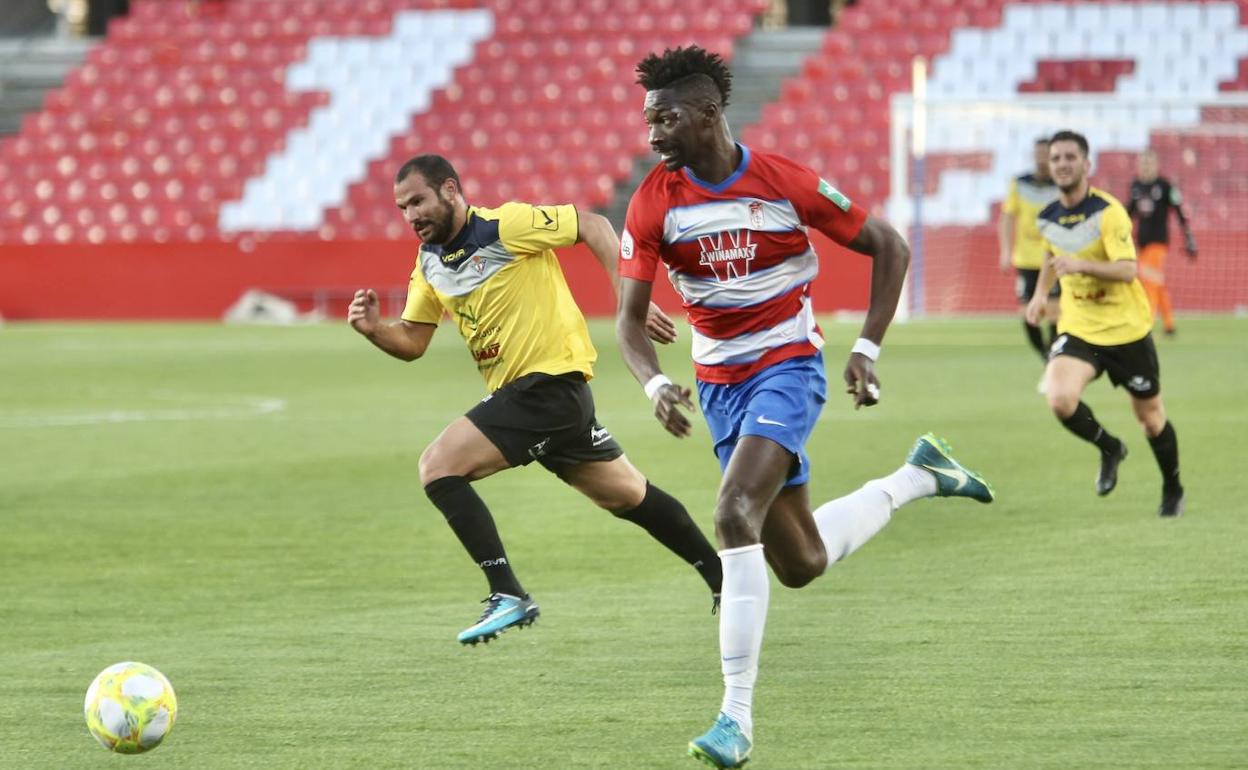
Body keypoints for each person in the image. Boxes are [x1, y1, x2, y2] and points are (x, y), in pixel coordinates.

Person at [614, 47, 995, 769]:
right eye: (647, 121)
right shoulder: (653, 201)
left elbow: (889, 244)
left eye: (663, 118)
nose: (652, 134)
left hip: (788, 367)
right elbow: (630, 322)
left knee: (732, 515)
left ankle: (735, 718)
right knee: (800, 562)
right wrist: (655, 384)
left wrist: (869, 349)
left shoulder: (783, 182)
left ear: (707, 114)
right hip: (721, 385)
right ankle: (919, 476)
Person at [348, 154, 723, 646]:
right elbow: (414, 342)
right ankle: (727, 579)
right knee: (628, 495)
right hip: (547, 403)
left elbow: (591, 224)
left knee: (438, 467)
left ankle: (506, 593)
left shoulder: (506, 225)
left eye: (418, 200)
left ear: (450, 190)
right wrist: (376, 330)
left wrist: (628, 298)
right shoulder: (430, 265)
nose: (411, 215)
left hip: (546, 387)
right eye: (402, 207)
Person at [1026, 131, 1185, 518]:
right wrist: (1040, 296)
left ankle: (1172, 487)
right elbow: (1050, 257)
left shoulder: (1108, 212)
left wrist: (1080, 265)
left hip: (1127, 331)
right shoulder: (1047, 218)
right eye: (1056, 158)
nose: (1062, 163)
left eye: (1070, 157)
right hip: (1080, 328)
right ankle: (1109, 447)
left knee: (1150, 419)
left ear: (1086, 165)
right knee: (1060, 399)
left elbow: (1129, 270)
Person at [999, 137, 1061, 370]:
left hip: (1053, 258)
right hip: (1026, 258)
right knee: (1028, 314)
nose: (1041, 158)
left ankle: (1055, 355)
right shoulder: (1020, 183)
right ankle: (1047, 356)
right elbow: (1007, 217)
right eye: (1038, 153)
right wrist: (1005, 250)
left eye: (1046, 153)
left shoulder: (1061, 184)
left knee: (1055, 311)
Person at [1127, 148, 1198, 337]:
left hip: (1158, 242)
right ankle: (1169, 324)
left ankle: (1146, 326)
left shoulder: (1165, 186)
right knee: (1158, 283)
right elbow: (1129, 213)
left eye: (1149, 163)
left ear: (1157, 166)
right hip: (1141, 242)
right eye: (1143, 163)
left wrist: (1189, 237)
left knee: (1149, 282)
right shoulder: (1136, 186)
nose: (1146, 167)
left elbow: (1180, 211)